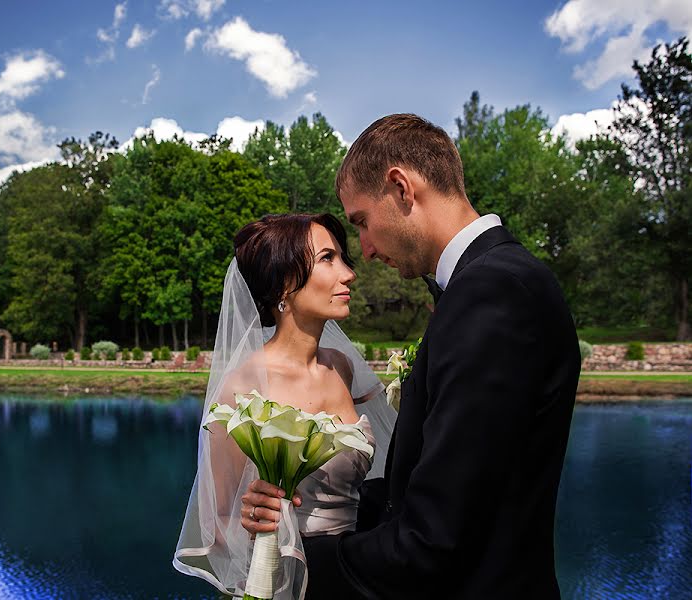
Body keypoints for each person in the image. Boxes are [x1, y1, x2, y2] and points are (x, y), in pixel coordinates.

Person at [241, 114, 581, 599]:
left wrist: (292, 562)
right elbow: (430, 488)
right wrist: (294, 514)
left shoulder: (492, 292)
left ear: (402, 189)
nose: (365, 251)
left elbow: (435, 538)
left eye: (361, 223)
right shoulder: (493, 282)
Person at [173, 213, 398, 599]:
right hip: (291, 584)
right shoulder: (243, 386)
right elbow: (216, 522)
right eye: (328, 259)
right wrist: (251, 518)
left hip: (356, 573)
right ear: (284, 283)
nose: (349, 273)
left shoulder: (340, 366)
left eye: (343, 258)